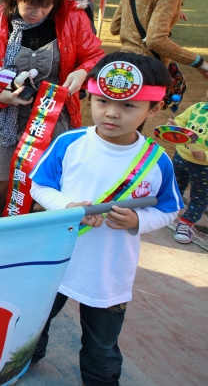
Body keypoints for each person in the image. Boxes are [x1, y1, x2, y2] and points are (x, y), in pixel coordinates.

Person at [29, 52, 181, 386]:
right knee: (33, 323)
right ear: (90, 98)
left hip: (109, 272)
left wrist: (137, 221)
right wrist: (67, 205)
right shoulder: (70, 143)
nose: (111, 112)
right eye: (102, 101)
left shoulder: (157, 161)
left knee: (102, 346)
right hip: (55, 260)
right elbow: (40, 185)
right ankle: (23, 362)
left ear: (154, 108)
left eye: (128, 106)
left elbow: (169, 208)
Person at [0, 0, 104, 220]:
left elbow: (94, 57)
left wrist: (83, 72)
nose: (38, 12)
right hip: (7, 117)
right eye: (30, 4)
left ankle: (29, 241)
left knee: (42, 192)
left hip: (52, 118)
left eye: (46, 5)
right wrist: (0, 95)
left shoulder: (73, 17)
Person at [170, 100, 208, 244]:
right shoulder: (198, 107)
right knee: (173, 187)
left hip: (204, 167)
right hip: (180, 157)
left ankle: (186, 224)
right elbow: (181, 121)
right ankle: (167, 210)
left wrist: (206, 155)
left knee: (200, 197)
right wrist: (175, 125)